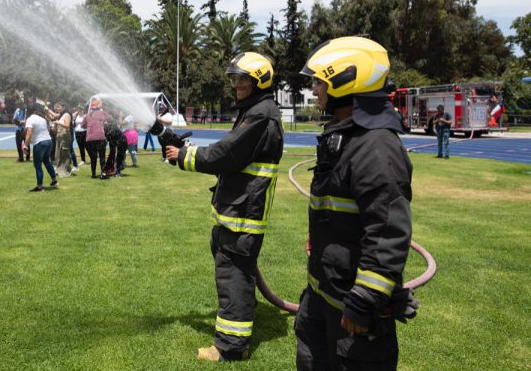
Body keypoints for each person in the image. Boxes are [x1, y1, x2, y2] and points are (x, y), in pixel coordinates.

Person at [295, 36, 415, 371]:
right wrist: (322, 235)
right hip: (324, 296)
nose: (316, 89)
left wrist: (365, 299)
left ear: (346, 80)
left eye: (320, 81)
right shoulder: (347, 138)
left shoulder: (375, 146)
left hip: (352, 309)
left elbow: (388, 230)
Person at [165, 52, 284, 362]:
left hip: (244, 215)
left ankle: (231, 347)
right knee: (234, 273)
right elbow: (230, 152)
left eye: (243, 78)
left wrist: (183, 156)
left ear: (259, 81)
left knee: (234, 277)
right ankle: (243, 314)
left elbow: (226, 154)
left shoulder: (260, 114)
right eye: (235, 78)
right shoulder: (256, 110)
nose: (236, 84)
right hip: (237, 212)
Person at [24, 103, 58, 192]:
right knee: (47, 161)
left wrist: (25, 146)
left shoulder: (30, 119)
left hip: (40, 143)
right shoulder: (42, 118)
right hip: (48, 140)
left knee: (38, 165)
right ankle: (54, 180)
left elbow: (29, 133)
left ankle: (39, 186)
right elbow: (48, 129)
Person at [82, 99, 112, 180]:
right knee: (102, 156)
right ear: (99, 106)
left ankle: (93, 174)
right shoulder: (102, 113)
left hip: (90, 138)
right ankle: (103, 173)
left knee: (93, 157)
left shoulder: (87, 115)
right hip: (100, 137)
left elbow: (82, 125)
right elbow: (110, 119)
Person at [50, 102, 74, 178]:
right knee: (58, 154)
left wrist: (58, 123)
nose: (57, 108)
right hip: (59, 136)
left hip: (65, 136)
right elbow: (53, 116)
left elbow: (67, 126)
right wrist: (46, 110)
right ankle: (60, 170)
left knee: (65, 153)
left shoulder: (66, 115)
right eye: (56, 107)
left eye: (59, 107)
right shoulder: (60, 115)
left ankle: (67, 171)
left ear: (63, 107)